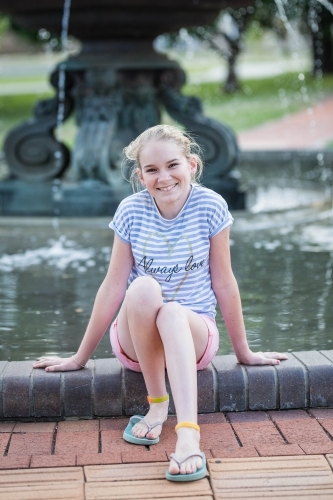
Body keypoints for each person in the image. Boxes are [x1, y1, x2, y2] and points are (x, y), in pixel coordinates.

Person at [33, 125, 288, 482]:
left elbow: (224, 283)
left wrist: (243, 351)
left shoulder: (210, 206)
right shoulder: (131, 211)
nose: (163, 177)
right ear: (140, 175)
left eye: (172, 165)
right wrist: (79, 358)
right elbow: (112, 286)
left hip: (194, 335)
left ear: (192, 165)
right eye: (152, 170)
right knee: (143, 289)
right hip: (135, 343)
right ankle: (157, 404)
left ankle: (188, 435)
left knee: (171, 312)